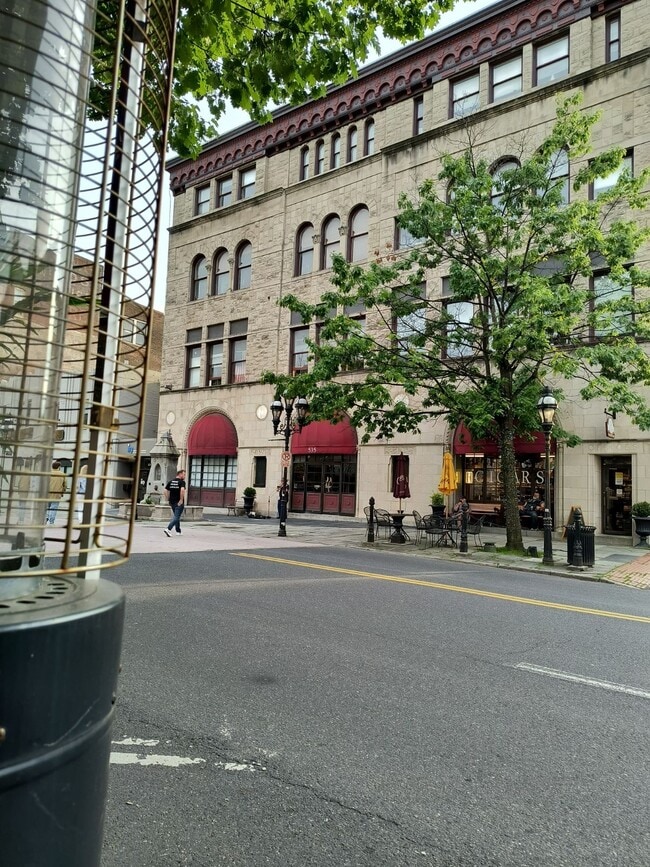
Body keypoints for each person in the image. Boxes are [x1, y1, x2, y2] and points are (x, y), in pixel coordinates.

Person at [164, 468, 186, 536]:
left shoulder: (171, 481)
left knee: (176, 516)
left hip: (172, 502)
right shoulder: (182, 482)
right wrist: (181, 500)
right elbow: (182, 490)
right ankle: (168, 529)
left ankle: (178, 531)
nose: (184, 476)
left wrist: (167, 498)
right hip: (178, 502)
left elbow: (165, 490)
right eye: (184, 474)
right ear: (180, 474)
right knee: (176, 517)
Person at [47, 461, 67, 525]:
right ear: (59, 467)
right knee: (54, 508)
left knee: (47, 507)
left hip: (47, 493)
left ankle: (46, 518)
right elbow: (65, 485)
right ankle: (51, 521)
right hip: (57, 494)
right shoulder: (62, 474)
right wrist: (62, 492)